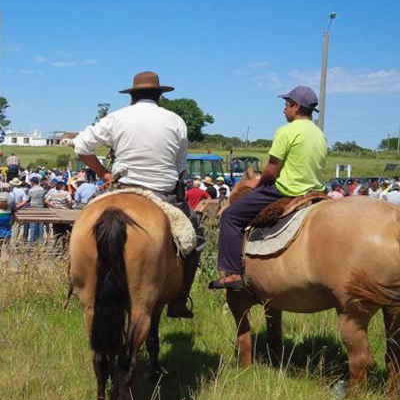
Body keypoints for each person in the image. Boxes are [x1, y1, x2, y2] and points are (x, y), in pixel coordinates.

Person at [73, 70, 201, 319]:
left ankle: (76, 281)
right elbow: (181, 168)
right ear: (159, 96)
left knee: (84, 223)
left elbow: (80, 146)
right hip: (162, 195)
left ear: (132, 97)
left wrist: (104, 175)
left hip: (122, 187)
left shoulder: (117, 117)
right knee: (195, 238)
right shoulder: (175, 121)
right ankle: (179, 300)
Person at [215, 86, 327, 289]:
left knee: (230, 216)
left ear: (296, 106)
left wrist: (256, 181)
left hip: (287, 189)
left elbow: (272, 171)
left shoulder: (286, 131)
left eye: (286, 105)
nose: (284, 110)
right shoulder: (320, 134)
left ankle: (232, 274)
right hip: (315, 190)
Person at [26, 176, 46, 243]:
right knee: (41, 224)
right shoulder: (42, 189)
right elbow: (44, 199)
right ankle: (41, 241)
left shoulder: (31, 190)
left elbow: (27, 199)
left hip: (33, 207)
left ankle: (32, 241)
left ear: (32, 182)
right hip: (41, 207)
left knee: (33, 224)